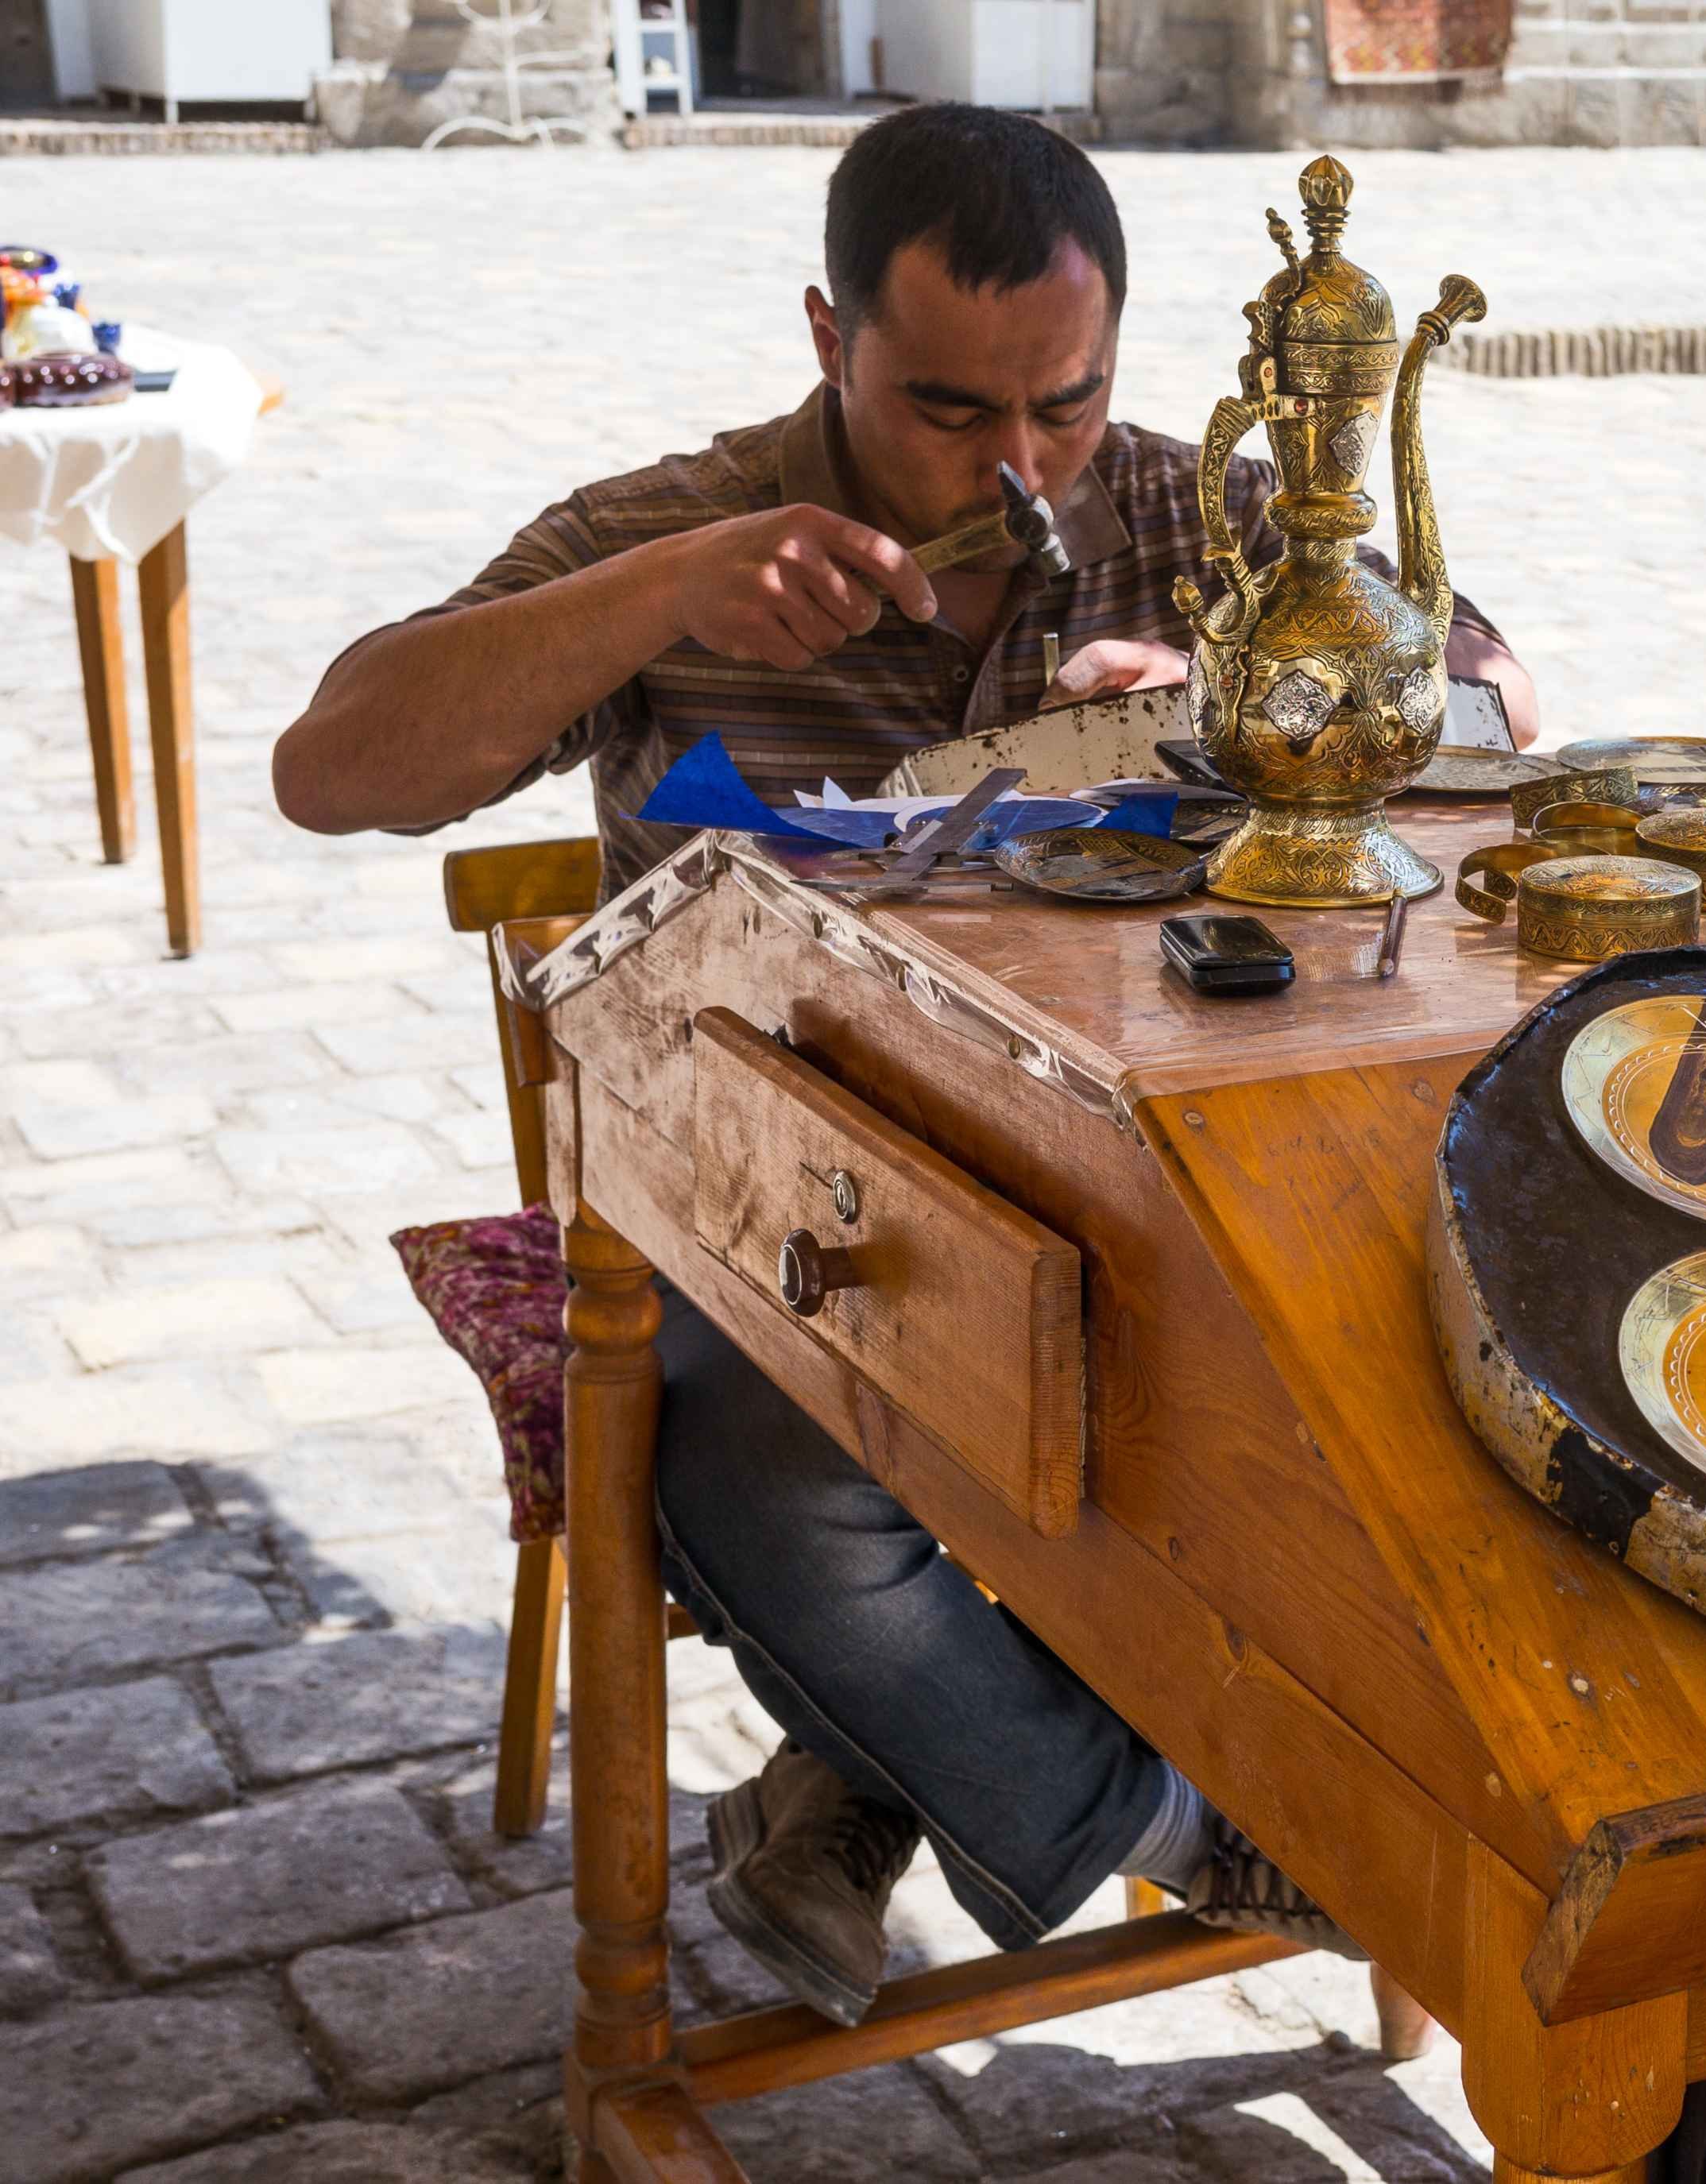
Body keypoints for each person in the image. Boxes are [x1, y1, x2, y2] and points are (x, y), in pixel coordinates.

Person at [272, 106, 1537, 2027]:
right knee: (758, 1481)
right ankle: (1207, 1820)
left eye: (1068, 405)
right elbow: (333, 765)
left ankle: (856, 1776)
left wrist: (1216, 727)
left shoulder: (1195, 516)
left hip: (1110, 1186)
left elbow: (1503, 707)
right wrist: (664, 594)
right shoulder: (672, 531)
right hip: (746, 1186)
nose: (1024, 469)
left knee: (1367, 1390)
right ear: (825, 338)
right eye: (951, 414)